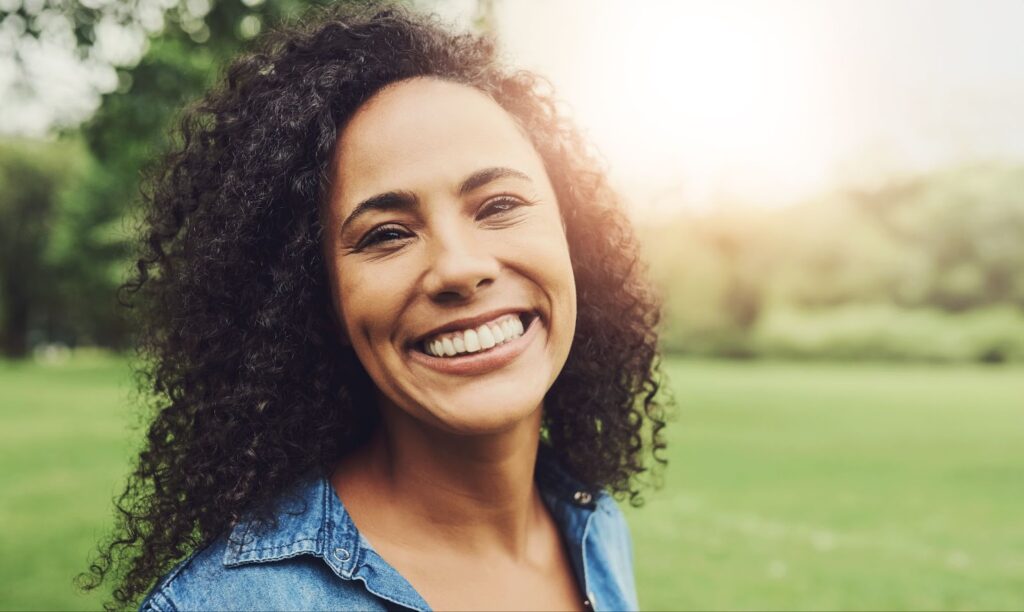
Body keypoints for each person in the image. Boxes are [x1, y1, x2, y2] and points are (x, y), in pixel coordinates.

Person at [81, 3, 668, 610]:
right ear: (322, 301)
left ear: (571, 234)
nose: (460, 268)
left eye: (498, 206)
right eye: (387, 233)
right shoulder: (230, 602)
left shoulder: (594, 526)